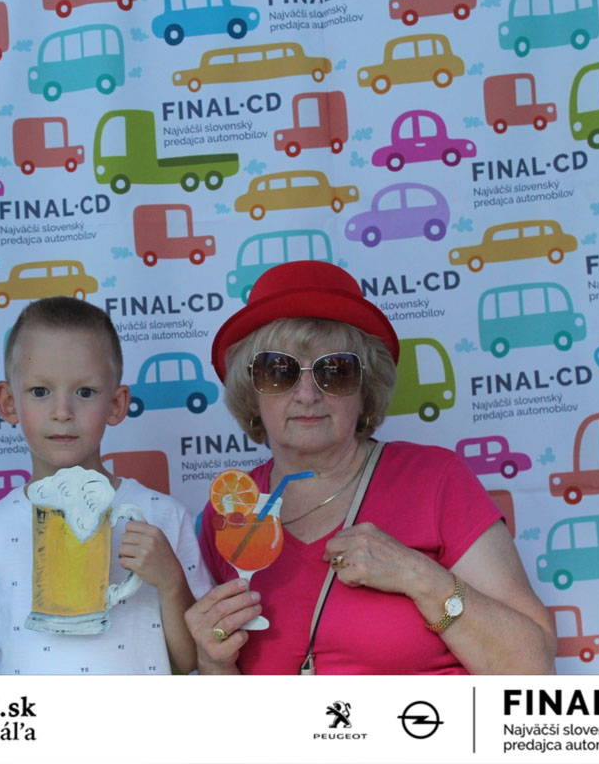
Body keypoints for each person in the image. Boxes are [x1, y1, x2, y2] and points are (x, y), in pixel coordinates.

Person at [186, 261, 555, 675]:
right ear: (250, 390)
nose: (307, 394)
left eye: (335, 372)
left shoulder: (435, 479)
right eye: (278, 371)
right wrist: (211, 661)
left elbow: (533, 666)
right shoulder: (230, 509)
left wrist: (417, 575)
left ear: (366, 389)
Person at [0, 296, 212, 674]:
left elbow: (190, 661)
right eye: (40, 391)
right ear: (8, 402)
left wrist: (171, 582)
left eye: (84, 392)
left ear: (116, 404)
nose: (62, 412)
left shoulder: (164, 517)